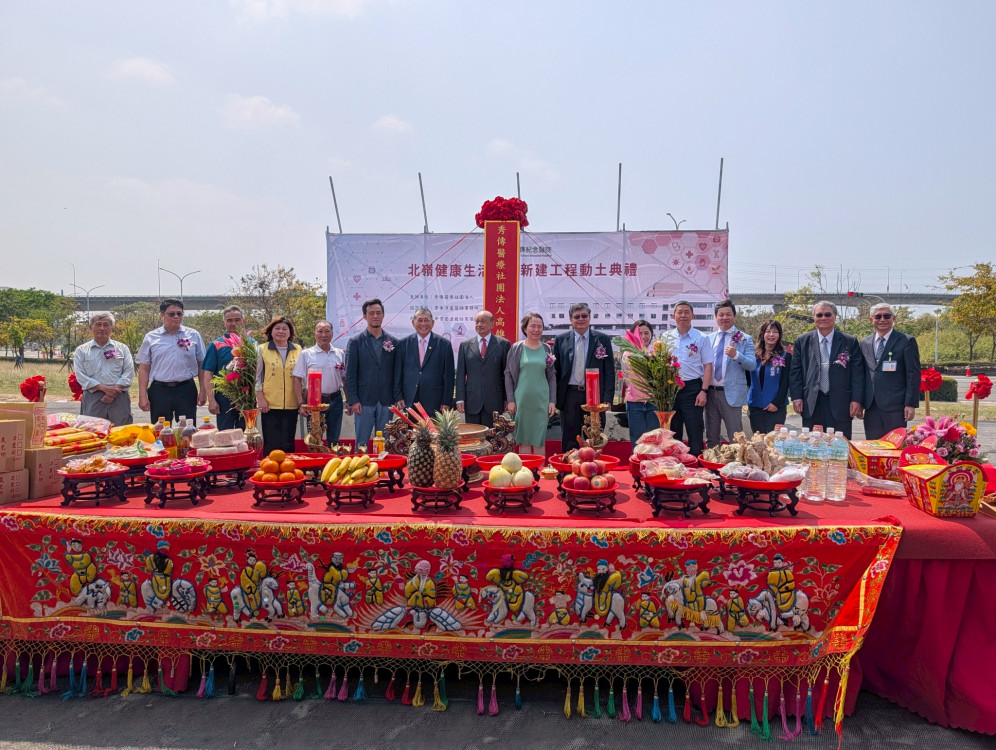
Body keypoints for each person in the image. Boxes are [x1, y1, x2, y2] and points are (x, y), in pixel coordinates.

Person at [789, 301, 864, 438]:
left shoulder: (849, 341)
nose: (823, 318)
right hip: (812, 402)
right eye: (819, 315)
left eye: (827, 314)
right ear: (814, 318)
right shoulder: (802, 341)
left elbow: (857, 374)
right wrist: (797, 397)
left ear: (835, 316)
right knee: (812, 444)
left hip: (841, 402)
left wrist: (856, 399)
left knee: (840, 444)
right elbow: (795, 372)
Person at [552, 302, 616, 452]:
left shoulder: (602, 339)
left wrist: (607, 397)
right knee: (570, 438)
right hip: (569, 395)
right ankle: (569, 465)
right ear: (570, 319)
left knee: (594, 437)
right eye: (576, 317)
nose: (581, 319)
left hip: (594, 396)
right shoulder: (560, 340)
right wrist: (554, 398)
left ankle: (594, 466)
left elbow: (609, 371)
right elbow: (556, 371)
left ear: (590, 317)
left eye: (584, 316)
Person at [136, 299, 206, 424]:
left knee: (187, 430)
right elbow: (144, 368)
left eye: (179, 313)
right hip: (159, 390)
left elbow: (202, 365)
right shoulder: (151, 337)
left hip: (186, 389)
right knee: (160, 429)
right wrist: (142, 395)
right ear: (162, 315)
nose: (176, 317)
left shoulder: (193, 335)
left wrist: (203, 391)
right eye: (171, 314)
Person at [345, 298, 401, 450]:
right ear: (364, 316)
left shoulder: (394, 342)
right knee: (361, 444)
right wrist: (353, 400)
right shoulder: (355, 342)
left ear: (383, 315)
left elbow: (397, 374)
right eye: (371, 313)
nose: (375, 316)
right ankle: (360, 466)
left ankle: (382, 465)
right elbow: (350, 374)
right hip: (363, 401)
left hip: (386, 401)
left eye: (378, 313)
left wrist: (397, 397)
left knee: (385, 444)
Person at [860, 302, 921, 440]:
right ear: (871, 320)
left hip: (896, 407)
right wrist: (859, 401)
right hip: (871, 406)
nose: (882, 319)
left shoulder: (906, 341)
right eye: (878, 316)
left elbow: (913, 374)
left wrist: (910, 403)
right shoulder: (864, 342)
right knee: (873, 446)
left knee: (894, 445)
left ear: (894, 318)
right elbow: (861, 374)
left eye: (886, 316)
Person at [661, 300, 714, 455]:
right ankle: (675, 465)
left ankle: (695, 466)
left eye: (686, 312)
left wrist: (704, 391)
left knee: (695, 430)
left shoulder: (702, 338)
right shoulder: (666, 337)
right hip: (671, 390)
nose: (683, 315)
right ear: (674, 316)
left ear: (692, 316)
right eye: (679, 312)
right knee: (673, 432)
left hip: (693, 390)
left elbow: (708, 366)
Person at [504, 312, 556, 455]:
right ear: (525, 328)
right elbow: (508, 374)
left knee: (539, 439)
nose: (536, 329)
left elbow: (552, 377)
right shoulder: (516, 348)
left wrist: (552, 401)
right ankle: (526, 469)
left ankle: (540, 469)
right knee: (524, 439)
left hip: (541, 400)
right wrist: (510, 400)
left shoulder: (547, 349)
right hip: (522, 401)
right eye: (533, 326)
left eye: (540, 326)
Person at [705, 299, 756, 446]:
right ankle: (712, 461)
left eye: (728, 314)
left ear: (734, 316)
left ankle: (737, 461)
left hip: (731, 393)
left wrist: (736, 355)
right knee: (711, 436)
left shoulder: (745, 339)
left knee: (736, 437)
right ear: (716, 317)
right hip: (710, 393)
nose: (724, 317)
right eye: (721, 315)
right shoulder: (708, 339)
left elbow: (752, 365)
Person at [72, 312, 134, 426]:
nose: (102, 328)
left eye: (106, 325)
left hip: (119, 396)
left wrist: (113, 392)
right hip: (93, 396)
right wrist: (103, 388)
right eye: (98, 324)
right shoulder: (81, 351)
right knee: (92, 431)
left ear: (112, 327)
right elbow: (80, 375)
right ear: (90, 327)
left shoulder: (122, 348)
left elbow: (129, 371)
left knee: (121, 431)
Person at [393, 307, 455, 416]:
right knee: (410, 428)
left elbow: (449, 376)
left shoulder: (444, 344)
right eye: (420, 320)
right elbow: (398, 373)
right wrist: (398, 396)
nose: (423, 324)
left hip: (435, 401)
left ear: (433, 322)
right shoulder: (403, 344)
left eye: (426, 320)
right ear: (413, 323)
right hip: (409, 399)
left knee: (434, 428)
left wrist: (446, 401)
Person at [293, 320, 346, 445]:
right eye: (320, 331)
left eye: (327, 331)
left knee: (334, 440)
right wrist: (301, 403)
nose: (323, 335)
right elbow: (297, 379)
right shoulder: (306, 354)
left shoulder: (339, 353)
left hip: (336, 400)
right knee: (315, 440)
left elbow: (344, 378)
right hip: (314, 403)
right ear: (314, 334)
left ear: (332, 334)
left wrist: (349, 401)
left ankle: (333, 457)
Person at [255, 315, 302, 455]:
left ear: (290, 332)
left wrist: (302, 400)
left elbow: (302, 376)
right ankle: (270, 467)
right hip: (270, 404)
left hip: (292, 403)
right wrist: (260, 398)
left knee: (288, 442)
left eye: (284, 329)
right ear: (271, 331)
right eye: (277, 328)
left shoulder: (298, 349)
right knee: (272, 443)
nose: (281, 331)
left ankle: (288, 468)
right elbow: (257, 376)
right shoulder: (262, 349)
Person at [456, 310, 510, 428]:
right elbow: (460, 374)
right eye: (477, 322)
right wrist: (460, 399)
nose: (479, 325)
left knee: (493, 436)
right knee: (473, 435)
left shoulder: (503, 344)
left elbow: (506, 374)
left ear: (492, 324)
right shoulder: (465, 345)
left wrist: (507, 398)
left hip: (494, 400)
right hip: (472, 400)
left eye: (483, 322)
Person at [200, 305, 248, 430]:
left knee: (247, 433)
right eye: (229, 320)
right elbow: (208, 373)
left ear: (243, 321)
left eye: (237, 320)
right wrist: (211, 400)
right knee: (225, 434)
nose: (233, 323)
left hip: (247, 396)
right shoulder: (216, 344)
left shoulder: (251, 344)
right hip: (224, 397)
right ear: (224, 322)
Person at [747, 319, 792, 434]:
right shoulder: (753, 355)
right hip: (755, 406)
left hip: (776, 407)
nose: (771, 335)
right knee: (758, 440)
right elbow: (748, 379)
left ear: (779, 335)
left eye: (775, 332)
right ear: (762, 334)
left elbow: (785, 382)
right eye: (768, 331)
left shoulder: (785, 356)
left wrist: (776, 403)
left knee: (774, 440)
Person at [620, 319, 659, 447]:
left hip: (654, 404)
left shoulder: (657, 353)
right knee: (638, 442)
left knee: (654, 442)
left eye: (647, 333)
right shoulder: (627, 354)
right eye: (639, 333)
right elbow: (626, 377)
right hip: (634, 404)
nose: (643, 336)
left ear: (651, 334)